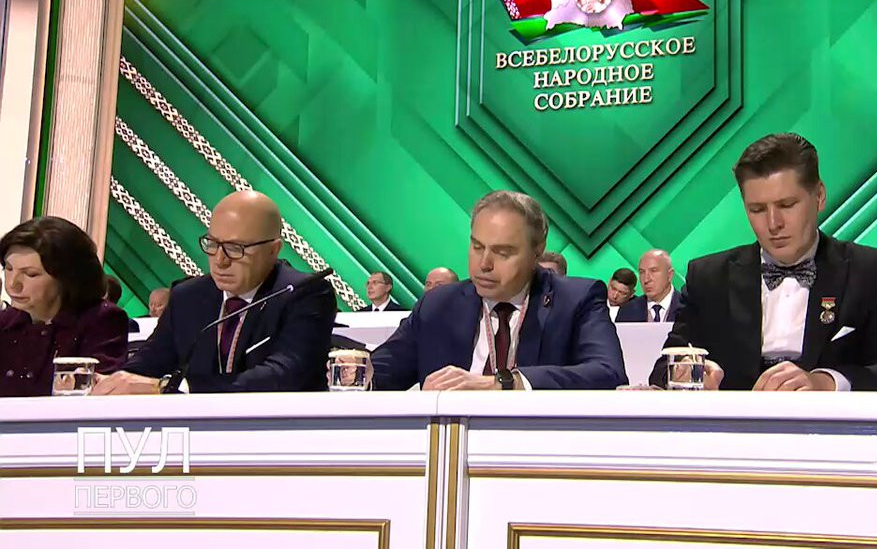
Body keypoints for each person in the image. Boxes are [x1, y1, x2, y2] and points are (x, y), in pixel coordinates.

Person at [651, 133, 877, 391]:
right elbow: (664, 368)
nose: (773, 223)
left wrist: (826, 383)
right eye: (757, 210)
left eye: (787, 205)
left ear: (819, 196)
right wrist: (689, 376)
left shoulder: (873, 271)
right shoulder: (708, 277)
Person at [370, 191, 626, 390]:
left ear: (537, 251)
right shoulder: (438, 305)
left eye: (502, 252)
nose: (484, 264)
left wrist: (507, 383)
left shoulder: (576, 299)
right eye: (477, 247)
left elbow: (608, 373)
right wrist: (354, 368)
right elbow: (379, 371)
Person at [94, 191, 337, 394]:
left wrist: (173, 387)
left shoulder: (305, 294)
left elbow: (283, 376)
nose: (220, 261)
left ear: (273, 250)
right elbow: (148, 364)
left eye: (235, 248)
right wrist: (112, 382)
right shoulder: (187, 296)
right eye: (213, 244)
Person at [0, 217, 128, 397]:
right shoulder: (5, 322)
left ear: (67, 278)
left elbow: (99, 391)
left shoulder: (100, 321)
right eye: (8, 268)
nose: (13, 284)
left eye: (31, 274)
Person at [616, 250, 680, 322]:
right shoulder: (627, 312)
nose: (646, 280)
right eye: (642, 272)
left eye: (653, 270)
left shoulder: (688, 308)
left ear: (669, 275)